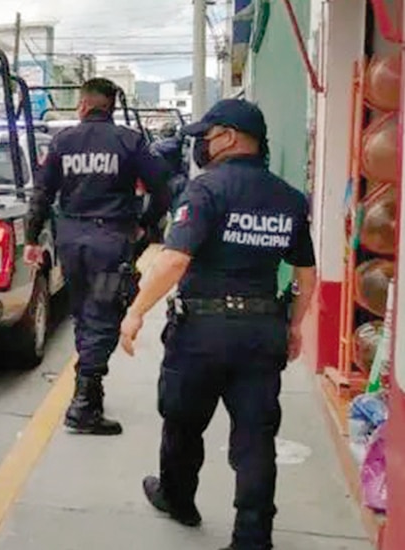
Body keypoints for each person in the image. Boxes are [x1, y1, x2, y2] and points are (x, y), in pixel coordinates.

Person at [118, 99, 316, 550]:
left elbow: (173, 260)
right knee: (255, 437)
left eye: (206, 137)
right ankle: (252, 536)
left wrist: (135, 313)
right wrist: (296, 326)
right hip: (262, 331)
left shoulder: (206, 191)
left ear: (228, 137)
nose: (201, 146)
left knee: (183, 422)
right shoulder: (289, 198)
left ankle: (179, 500)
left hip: (202, 334)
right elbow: (306, 276)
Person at [24, 77, 171, 436]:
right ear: (111, 106)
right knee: (104, 315)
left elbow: (41, 192)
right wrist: (144, 225)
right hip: (110, 241)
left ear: (83, 105)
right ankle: (83, 403)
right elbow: (164, 189)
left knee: (83, 313)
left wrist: (31, 238)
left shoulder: (63, 141)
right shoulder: (129, 141)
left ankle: (89, 391)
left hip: (71, 242)